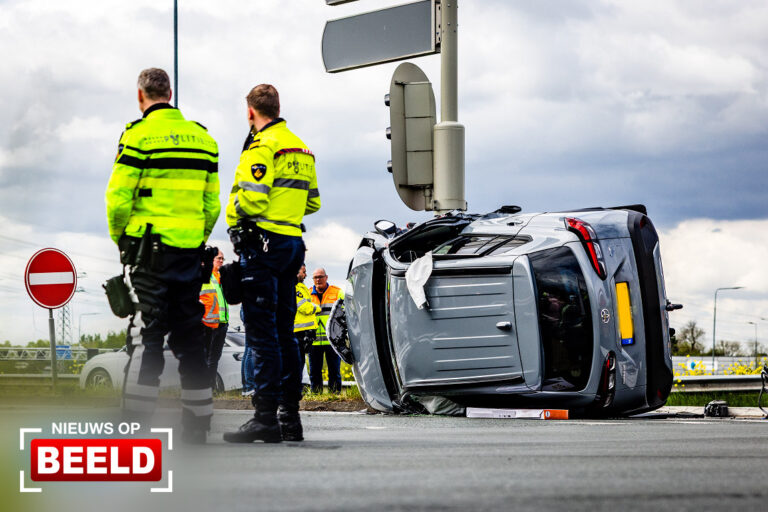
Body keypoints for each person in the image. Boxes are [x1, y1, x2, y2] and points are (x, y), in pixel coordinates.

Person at [105, 68, 219, 444]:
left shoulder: (137, 136)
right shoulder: (204, 140)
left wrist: (122, 240)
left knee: (145, 339)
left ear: (141, 96)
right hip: (189, 255)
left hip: (149, 256)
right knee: (190, 341)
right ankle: (198, 427)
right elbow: (211, 204)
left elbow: (118, 198)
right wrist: (196, 238)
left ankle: (134, 429)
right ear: (169, 92)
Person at [223, 84, 321, 443]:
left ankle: (265, 419)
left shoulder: (261, 147)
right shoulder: (301, 148)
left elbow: (251, 202)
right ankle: (289, 420)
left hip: (262, 247)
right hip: (291, 244)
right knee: (285, 336)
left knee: (262, 337)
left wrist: (232, 209)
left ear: (251, 112)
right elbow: (313, 203)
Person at [309, 267, 344, 394]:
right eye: (315, 277)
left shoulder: (337, 292)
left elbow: (346, 311)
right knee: (314, 371)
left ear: (326, 277)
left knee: (334, 370)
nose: (318, 280)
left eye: (320, 277)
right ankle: (316, 394)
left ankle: (334, 394)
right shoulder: (307, 294)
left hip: (333, 339)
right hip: (314, 340)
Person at [200, 249, 229, 389]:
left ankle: (210, 387)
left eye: (223, 259)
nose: (222, 261)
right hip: (207, 323)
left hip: (222, 322)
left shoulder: (221, 277)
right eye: (219, 258)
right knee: (206, 357)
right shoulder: (204, 276)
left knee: (214, 358)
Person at [295, 264, 320, 378]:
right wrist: (317, 307)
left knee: (300, 362)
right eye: (303, 272)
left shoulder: (300, 286)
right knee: (297, 362)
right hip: (298, 331)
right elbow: (303, 307)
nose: (305, 275)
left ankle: (295, 388)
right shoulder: (295, 287)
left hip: (303, 330)